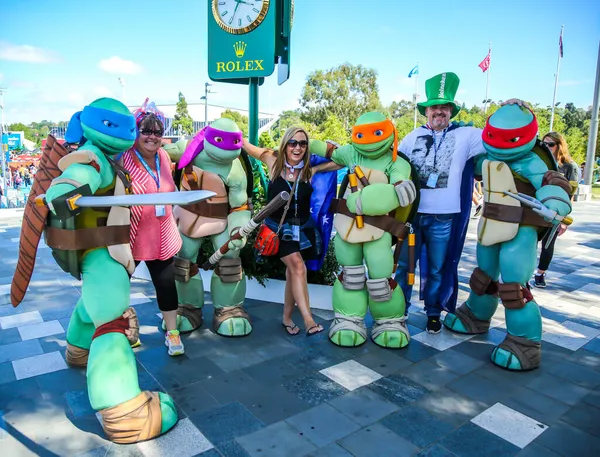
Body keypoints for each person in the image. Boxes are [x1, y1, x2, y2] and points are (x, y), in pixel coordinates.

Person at [394, 72, 522, 334]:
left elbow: (497, 134)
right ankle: (399, 310)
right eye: (434, 107)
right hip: (413, 217)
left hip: (444, 217)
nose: (439, 112)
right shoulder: (411, 136)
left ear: (451, 110)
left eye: (444, 107)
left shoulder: (467, 134)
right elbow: (395, 166)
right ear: (426, 111)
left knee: (439, 268)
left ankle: (433, 312)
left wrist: (508, 108)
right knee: (406, 266)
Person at [243, 128, 325, 336]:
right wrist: (221, 134)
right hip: (278, 229)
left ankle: (287, 318)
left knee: (293, 272)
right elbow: (245, 145)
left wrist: (331, 150)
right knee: (298, 267)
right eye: (293, 143)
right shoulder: (273, 162)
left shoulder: (308, 170)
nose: (297, 147)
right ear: (285, 144)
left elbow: (340, 161)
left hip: (303, 230)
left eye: (303, 143)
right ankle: (308, 319)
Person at [120, 102, 185, 356]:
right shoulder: (123, 156)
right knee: (119, 286)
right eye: (146, 131)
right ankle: (123, 330)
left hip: (162, 235)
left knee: (167, 286)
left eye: (158, 132)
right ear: (136, 132)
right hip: (130, 236)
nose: (153, 137)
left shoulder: (164, 156)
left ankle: (173, 334)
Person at [532, 132, 579, 288]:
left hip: (556, 211)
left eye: (550, 144)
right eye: (544, 144)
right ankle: (523, 276)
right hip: (537, 207)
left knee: (548, 244)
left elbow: (570, 194)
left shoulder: (569, 166)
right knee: (529, 242)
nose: (547, 147)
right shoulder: (540, 162)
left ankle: (540, 274)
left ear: (559, 146)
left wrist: (564, 220)